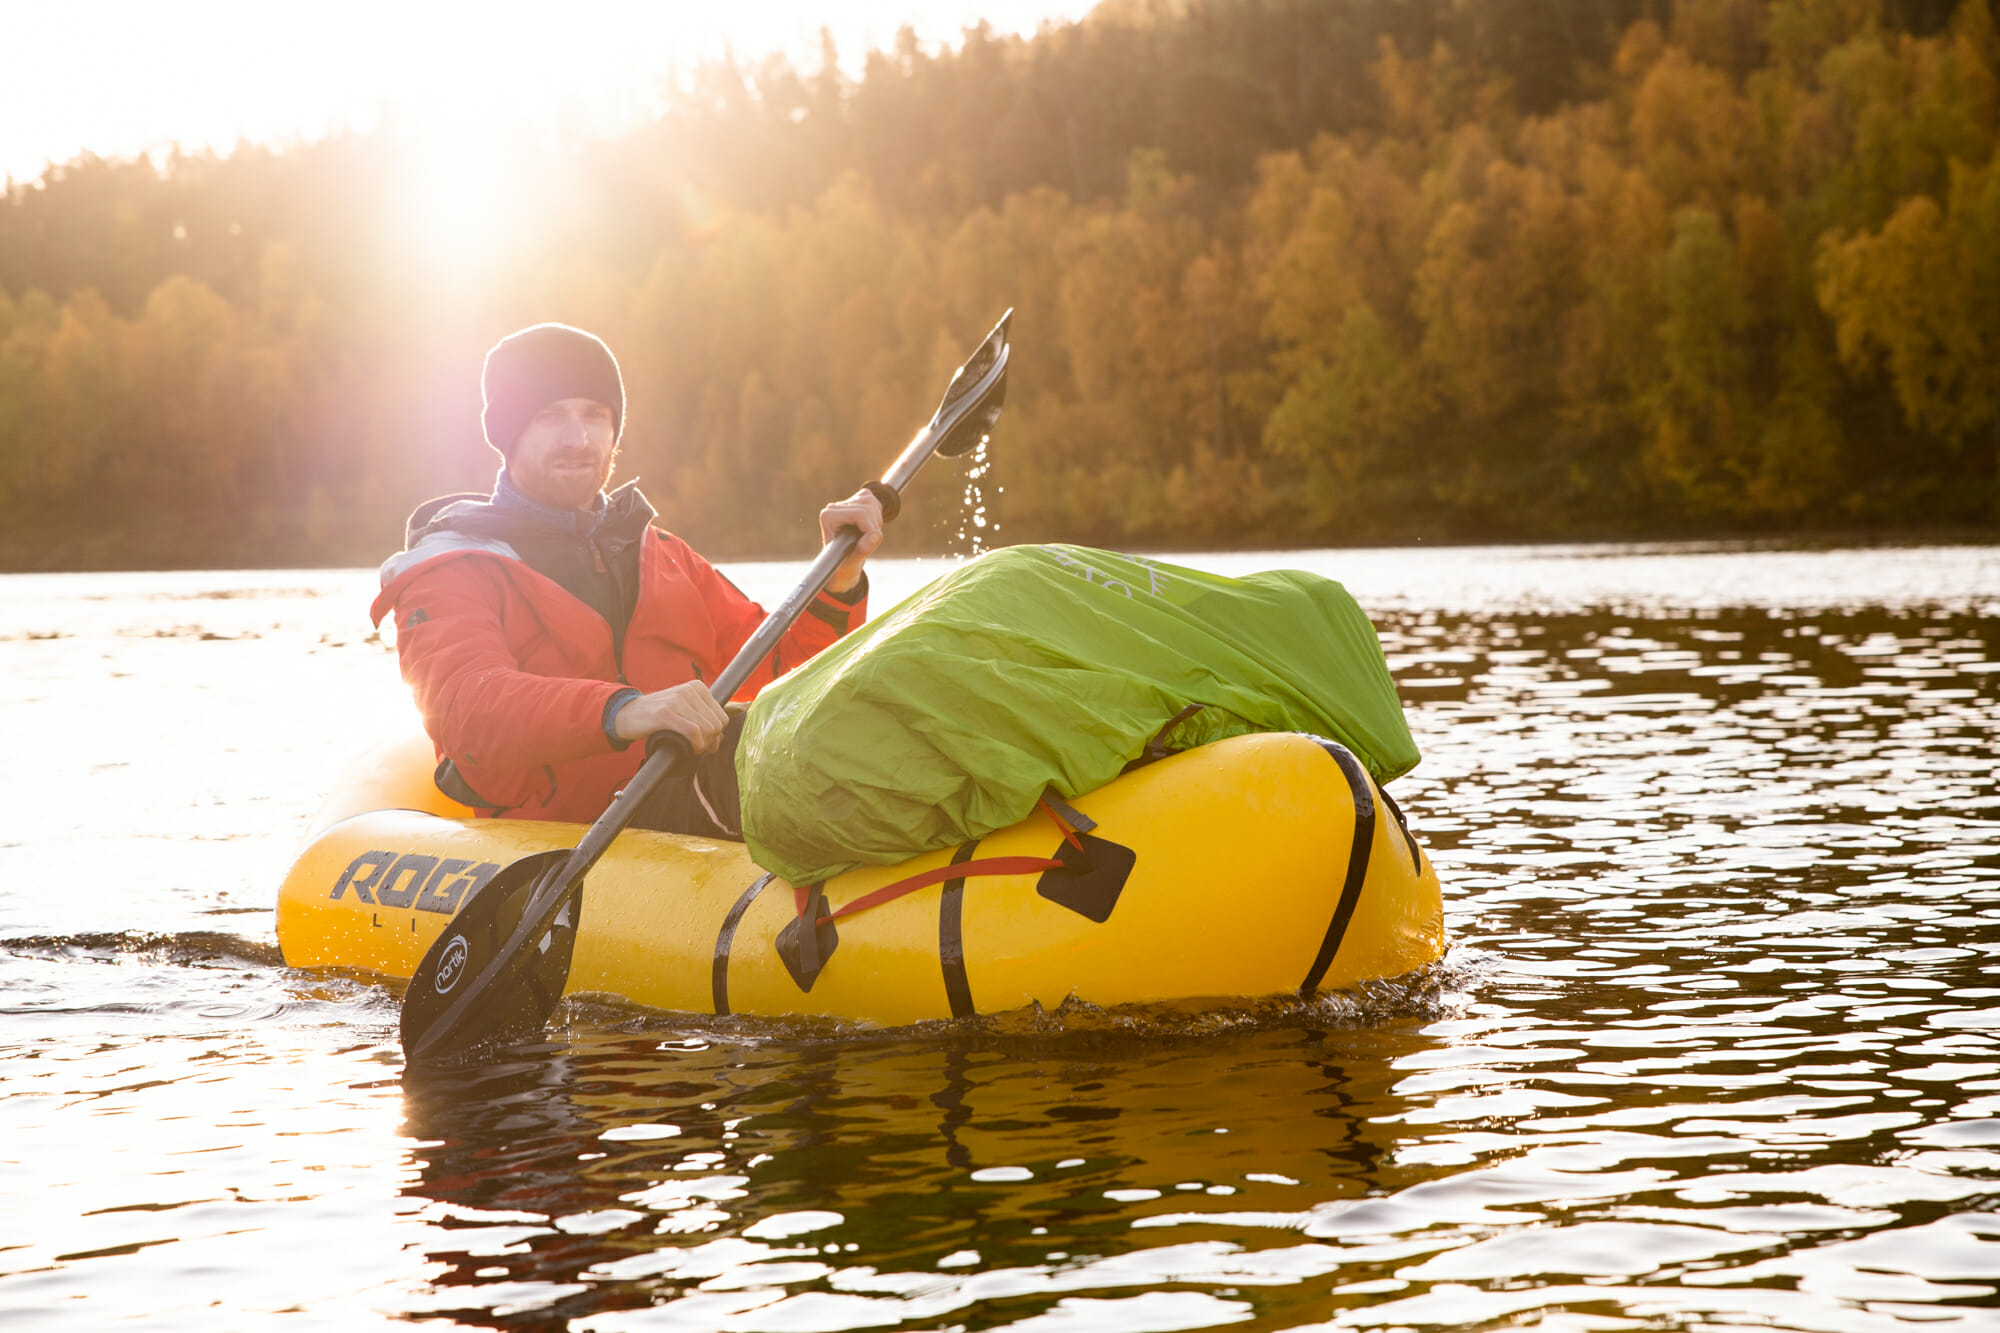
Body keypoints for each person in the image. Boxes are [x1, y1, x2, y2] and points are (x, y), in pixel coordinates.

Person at [369, 322, 884, 837]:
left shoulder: (663, 556)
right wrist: (623, 711)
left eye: (595, 415)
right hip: (564, 840)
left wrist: (838, 582)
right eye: (550, 417)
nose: (579, 438)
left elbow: (784, 673)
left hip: (684, 812)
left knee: (851, 726)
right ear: (508, 434)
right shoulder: (449, 572)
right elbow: (469, 710)